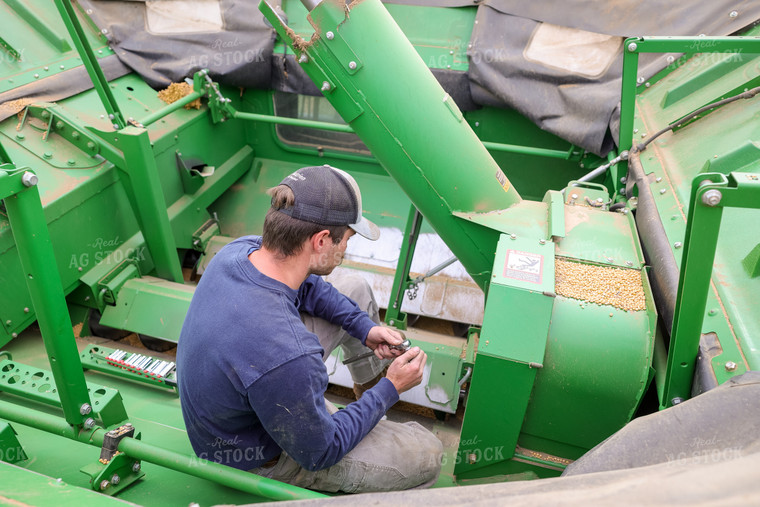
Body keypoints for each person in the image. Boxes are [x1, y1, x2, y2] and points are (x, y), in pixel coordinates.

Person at [177, 164, 443, 493]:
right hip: (256, 458)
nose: (346, 248)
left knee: (354, 289)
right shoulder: (288, 355)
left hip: (232, 408)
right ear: (320, 240)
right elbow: (321, 451)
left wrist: (365, 329)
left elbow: (310, 288)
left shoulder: (239, 251)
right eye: (346, 239)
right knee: (429, 455)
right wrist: (390, 388)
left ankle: (368, 416)